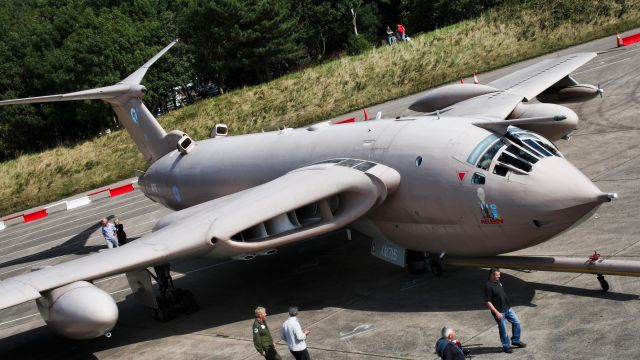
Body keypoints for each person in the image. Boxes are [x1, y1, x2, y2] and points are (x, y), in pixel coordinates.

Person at [485, 268, 526, 353]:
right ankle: (506, 346)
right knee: (503, 329)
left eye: (499, 275)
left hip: (508, 308)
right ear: (492, 275)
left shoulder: (498, 281)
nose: (498, 277)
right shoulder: (488, 286)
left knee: (517, 322)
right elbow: (487, 302)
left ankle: (515, 340)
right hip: (499, 312)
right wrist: (497, 313)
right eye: (497, 275)